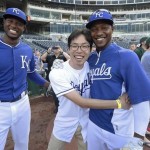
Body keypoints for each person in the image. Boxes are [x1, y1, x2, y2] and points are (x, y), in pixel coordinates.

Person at [47, 29, 130, 150]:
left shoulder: (92, 65)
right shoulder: (57, 72)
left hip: (87, 121)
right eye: (74, 46)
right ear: (68, 48)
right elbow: (82, 102)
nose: (79, 50)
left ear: (91, 49)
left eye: (85, 46)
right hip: (65, 120)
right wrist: (119, 103)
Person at [85, 9, 150, 150]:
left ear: (112, 29)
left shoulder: (127, 56)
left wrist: (138, 138)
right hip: (93, 124)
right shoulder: (90, 59)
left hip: (119, 129)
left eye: (104, 28)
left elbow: (142, 99)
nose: (99, 32)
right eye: (94, 29)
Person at [0, 8, 49, 150]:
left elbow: (31, 73)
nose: (14, 26)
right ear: (4, 22)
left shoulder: (27, 50)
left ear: (24, 28)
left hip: (22, 104)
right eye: (10, 21)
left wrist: (48, 84)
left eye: (19, 23)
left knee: (22, 144)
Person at [41, 45, 70, 113]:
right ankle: (57, 107)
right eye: (54, 48)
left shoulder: (63, 57)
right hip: (53, 78)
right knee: (54, 94)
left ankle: (64, 106)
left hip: (62, 78)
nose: (56, 49)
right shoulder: (50, 57)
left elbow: (69, 59)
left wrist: (62, 51)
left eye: (57, 48)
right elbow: (42, 58)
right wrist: (48, 52)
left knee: (63, 93)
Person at [141, 37, 150, 146]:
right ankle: (142, 134)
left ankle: (144, 131)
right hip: (147, 86)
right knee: (145, 112)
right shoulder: (148, 55)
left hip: (146, 85)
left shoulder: (146, 54)